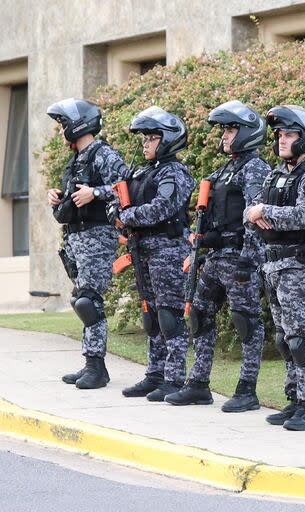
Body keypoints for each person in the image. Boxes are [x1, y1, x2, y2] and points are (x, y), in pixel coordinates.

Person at [165, 100, 272, 411]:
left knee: (246, 322)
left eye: (230, 129)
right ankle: (198, 384)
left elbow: (254, 219)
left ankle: (247, 390)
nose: (224, 135)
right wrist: (200, 246)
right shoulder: (225, 169)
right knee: (199, 315)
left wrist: (248, 260)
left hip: (240, 258)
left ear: (247, 132)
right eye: (224, 129)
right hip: (215, 258)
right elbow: (214, 218)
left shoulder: (255, 169)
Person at [244, 105, 305, 431]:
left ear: (304, 139)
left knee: (300, 339)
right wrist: (258, 215)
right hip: (273, 264)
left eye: (289, 134)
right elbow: (249, 214)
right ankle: (294, 399)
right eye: (280, 134)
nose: (282, 140)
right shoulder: (275, 174)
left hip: (300, 266)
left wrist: (266, 212)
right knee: (283, 338)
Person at [46, 98, 129, 389]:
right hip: (77, 238)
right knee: (82, 299)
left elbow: (124, 188)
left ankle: (97, 368)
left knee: (88, 300)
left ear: (77, 125)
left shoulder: (104, 155)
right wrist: (58, 196)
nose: (59, 132)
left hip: (97, 237)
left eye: (61, 125)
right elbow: (74, 195)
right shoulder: (77, 159)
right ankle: (91, 363)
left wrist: (95, 192)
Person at [115, 106, 196, 402]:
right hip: (142, 250)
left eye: (151, 138)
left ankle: (174, 378)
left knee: (169, 314)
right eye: (144, 139)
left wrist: (129, 215)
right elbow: (117, 202)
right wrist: (119, 214)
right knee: (150, 312)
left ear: (168, 140)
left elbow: (162, 208)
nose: (145, 144)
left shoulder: (174, 172)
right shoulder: (141, 172)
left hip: (168, 249)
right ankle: (155, 373)